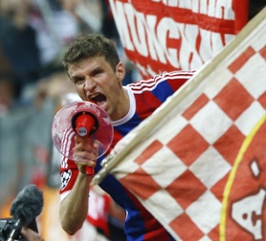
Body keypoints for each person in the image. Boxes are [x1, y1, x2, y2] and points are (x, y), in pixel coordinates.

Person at [58, 34, 194, 240]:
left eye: (96, 73)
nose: (88, 86)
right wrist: (85, 172)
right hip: (150, 235)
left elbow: (227, 75)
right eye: (79, 79)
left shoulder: (164, 91)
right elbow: (69, 223)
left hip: (203, 217)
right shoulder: (78, 138)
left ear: (119, 71)